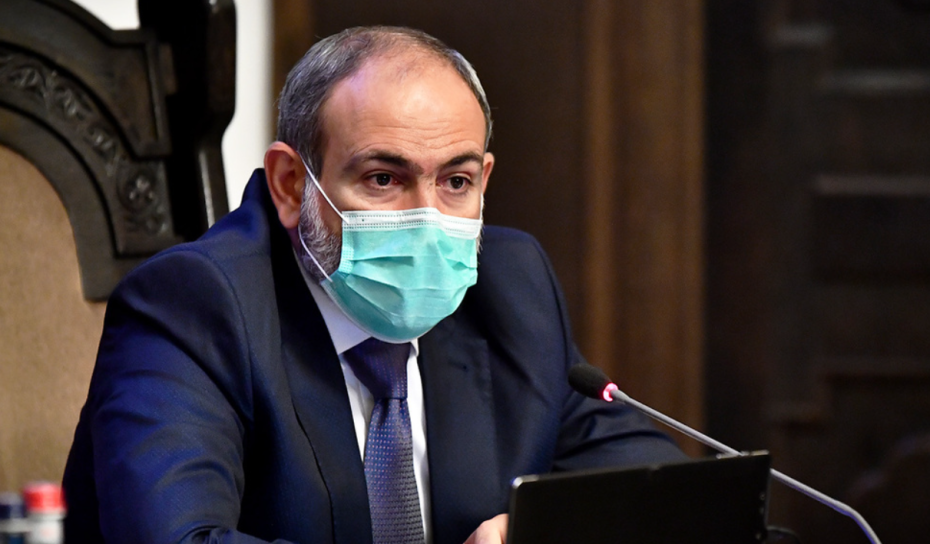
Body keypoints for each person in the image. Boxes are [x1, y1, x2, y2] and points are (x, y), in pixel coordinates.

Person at [62, 26, 684, 544]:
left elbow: (657, 492)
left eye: (456, 182)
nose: (427, 220)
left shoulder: (511, 287)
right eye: (384, 179)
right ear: (289, 184)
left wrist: (535, 530)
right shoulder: (193, 303)